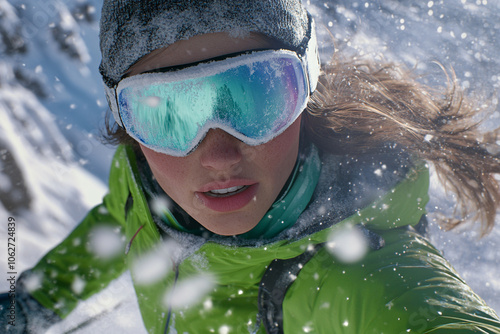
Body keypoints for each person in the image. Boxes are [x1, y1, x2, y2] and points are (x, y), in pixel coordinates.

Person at [2, 0, 500, 333]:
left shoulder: (356, 269)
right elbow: (120, 215)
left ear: (306, 87)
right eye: (165, 112)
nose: (217, 155)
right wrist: (31, 306)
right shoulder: (143, 172)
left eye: (256, 93)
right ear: (128, 123)